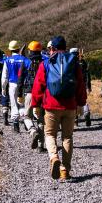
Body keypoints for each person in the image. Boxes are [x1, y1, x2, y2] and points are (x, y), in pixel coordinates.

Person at [32, 36, 87, 181]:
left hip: (51, 105)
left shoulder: (46, 63)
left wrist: (36, 105)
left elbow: (39, 86)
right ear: (65, 47)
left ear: (53, 49)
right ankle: (65, 170)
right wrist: (81, 104)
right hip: (70, 106)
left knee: (50, 134)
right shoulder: (74, 62)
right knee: (67, 137)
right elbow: (80, 85)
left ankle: (54, 157)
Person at [18, 41, 45, 151]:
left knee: (26, 116)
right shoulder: (45, 62)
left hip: (29, 92)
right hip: (42, 93)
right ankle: (40, 146)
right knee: (41, 118)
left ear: (30, 50)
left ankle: (32, 131)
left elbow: (20, 78)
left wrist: (19, 94)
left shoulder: (26, 62)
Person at [1, 40, 30, 133]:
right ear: (18, 49)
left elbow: (4, 76)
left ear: (10, 50)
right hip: (24, 85)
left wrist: (3, 87)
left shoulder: (7, 60)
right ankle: (27, 123)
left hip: (12, 85)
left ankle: (16, 126)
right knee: (23, 105)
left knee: (14, 105)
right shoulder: (25, 59)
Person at [71, 48, 92, 126]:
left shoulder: (69, 61)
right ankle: (87, 113)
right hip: (82, 84)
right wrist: (88, 86)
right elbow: (87, 74)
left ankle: (75, 120)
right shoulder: (83, 62)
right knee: (83, 100)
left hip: (72, 85)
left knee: (73, 101)